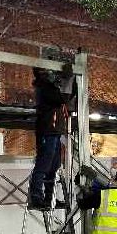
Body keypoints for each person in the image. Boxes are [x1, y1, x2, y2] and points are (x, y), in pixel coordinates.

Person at [28, 63, 75, 210]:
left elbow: (65, 98)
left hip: (54, 131)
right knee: (44, 164)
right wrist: (68, 80)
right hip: (47, 131)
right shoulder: (44, 87)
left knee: (53, 166)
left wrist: (69, 82)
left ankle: (49, 198)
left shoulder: (49, 86)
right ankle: (36, 198)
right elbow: (63, 98)